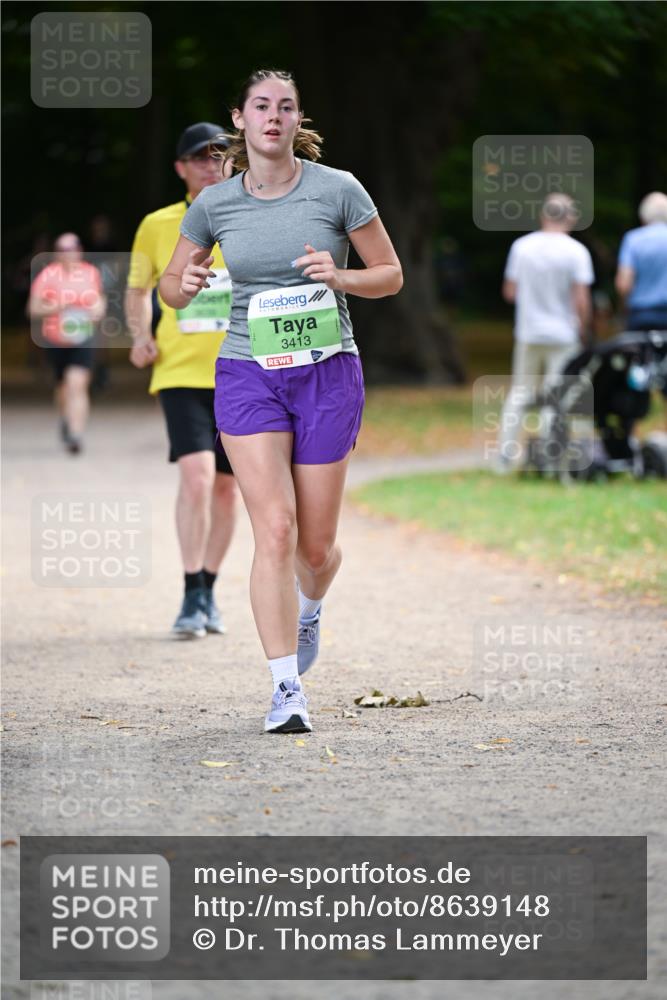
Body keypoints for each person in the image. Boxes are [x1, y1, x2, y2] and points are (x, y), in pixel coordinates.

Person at [159, 69, 402, 734]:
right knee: (274, 529)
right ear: (239, 119)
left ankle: (309, 609)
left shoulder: (338, 189)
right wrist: (186, 282)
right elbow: (171, 289)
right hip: (248, 372)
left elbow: (390, 275)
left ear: (298, 120)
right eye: (261, 106)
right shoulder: (214, 204)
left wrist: (340, 275)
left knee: (315, 550)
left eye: (286, 107)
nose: (273, 116)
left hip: (327, 372)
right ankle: (285, 689)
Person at [125, 123, 237, 639]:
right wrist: (140, 335)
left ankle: (209, 588)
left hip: (242, 371)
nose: (210, 166)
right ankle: (191, 591)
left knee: (226, 491)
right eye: (199, 158)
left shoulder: (250, 214)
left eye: (219, 156)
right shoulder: (158, 224)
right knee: (196, 478)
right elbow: (137, 288)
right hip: (179, 371)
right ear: (180, 168)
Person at [497, 193, 594, 469]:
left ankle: (505, 455)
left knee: (520, 392)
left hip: (528, 332)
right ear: (570, 218)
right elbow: (582, 299)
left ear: (543, 215)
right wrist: (584, 328)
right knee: (556, 395)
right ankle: (549, 455)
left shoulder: (522, 247)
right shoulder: (576, 251)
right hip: (563, 334)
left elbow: (510, 292)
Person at [28, 232, 105, 454]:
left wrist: (98, 310)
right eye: (62, 249)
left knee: (77, 384)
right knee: (62, 387)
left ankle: (75, 434)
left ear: (80, 250)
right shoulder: (47, 275)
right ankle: (65, 417)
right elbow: (33, 308)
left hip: (83, 337)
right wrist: (58, 306)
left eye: (72, 248)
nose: (67, 253)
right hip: (55, 339)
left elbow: (99, 300)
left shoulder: (90, 273)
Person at [615, 191, 667, 333]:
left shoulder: (633, 239)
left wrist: (623, 311)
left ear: (643, 216)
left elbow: (624, 285)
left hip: (641, 316)